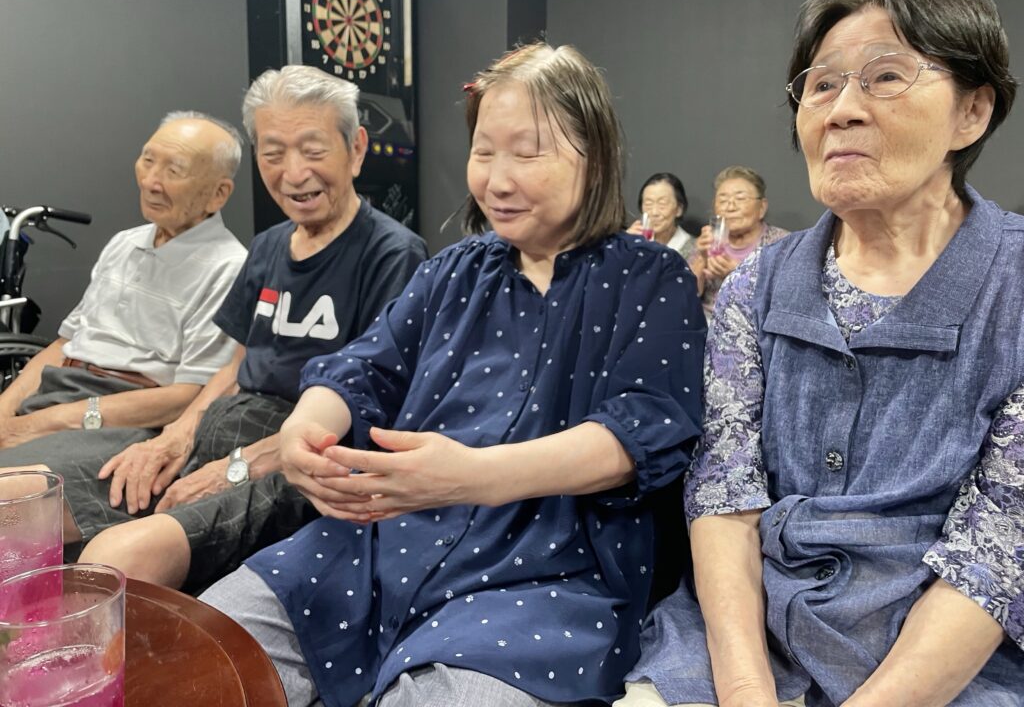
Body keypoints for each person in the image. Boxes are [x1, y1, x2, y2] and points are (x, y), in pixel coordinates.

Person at [197, 43, 705, 707]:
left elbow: (643, 428)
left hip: (549, 575)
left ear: (596, 156)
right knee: (202, 650)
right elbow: (363, 367)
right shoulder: (452, 270)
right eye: (483, 152)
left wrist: (474, 475)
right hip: (379, 543)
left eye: (527, 153)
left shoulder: (651, 277)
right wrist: (304, 428)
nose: (497, 180)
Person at [620, 0, 1023, 707]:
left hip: (945, 666)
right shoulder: (755, 285)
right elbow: (723, 494)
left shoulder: (1014, 288)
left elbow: (997, 551)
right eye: (822, 84)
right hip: (746, 635)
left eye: (886, 77)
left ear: (971, 111)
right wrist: (746, 690)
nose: (841, 111)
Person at [5, 67, 427, 590]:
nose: (293, 173)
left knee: (118, 558)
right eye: (273, 153)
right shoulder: (269, 246)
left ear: (356, 149)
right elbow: (237, 362)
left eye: (313, 150)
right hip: (217, 434)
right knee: (17, 509)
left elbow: (367, 404)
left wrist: (234, 467)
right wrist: (175, 440)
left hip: (293, 460)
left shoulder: (393, 255)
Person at [0, 111, 246, 461]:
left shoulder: (229, 268)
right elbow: (66, 343)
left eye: (174, 171)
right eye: (148, 160)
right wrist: (5, 410)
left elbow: (188, 395)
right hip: (58, 392)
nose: (151, 182)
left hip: (127, 420)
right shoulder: (124, 243)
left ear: (218, 194)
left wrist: (45, 422)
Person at [687, 166, 787, 321]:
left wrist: (738, 274)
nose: (730, 207)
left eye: (740, 199)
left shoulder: (782, 244)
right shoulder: (708, 240)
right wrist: (700, 259)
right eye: (723, 200)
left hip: (756, 325)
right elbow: (687, 294)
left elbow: (786, 298)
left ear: (762, 207)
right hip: (707, 323)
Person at [628, 173, 697, 257]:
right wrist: (625, 245)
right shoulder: (632, 242)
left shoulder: (695, 251)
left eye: (662, 203)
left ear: (679, 209)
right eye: (648, 204)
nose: (654, 212)